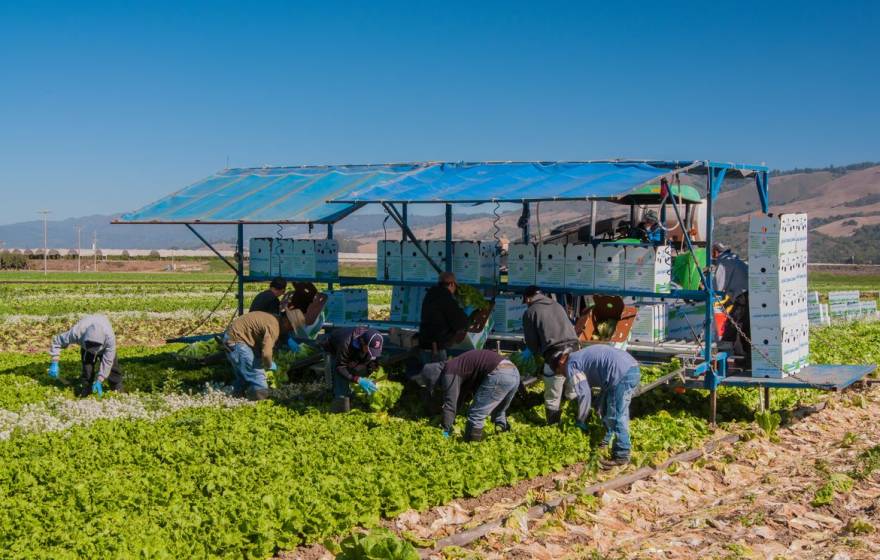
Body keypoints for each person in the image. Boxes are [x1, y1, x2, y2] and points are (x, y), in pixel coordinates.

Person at [552, 345, 641, 468]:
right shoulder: (578, 356)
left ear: (561, 362)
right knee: (606, 409)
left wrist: (581, 419)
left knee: (616, 416)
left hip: (621, 374)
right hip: (630, 368)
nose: (564, 375)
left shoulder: (571, 365)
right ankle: (605, 441)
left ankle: (622, 455)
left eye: (561, 372)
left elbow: (585, 393)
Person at [413, 349, 519, 442]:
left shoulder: (449, 372)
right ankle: (502, 434)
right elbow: (459, 398)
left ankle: (472, 447)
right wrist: (451, 418)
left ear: (435, 378)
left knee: (476, 414)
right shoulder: (458, 365)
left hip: (500, 373)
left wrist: (445, 431)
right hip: (513, 372)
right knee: (499, 410)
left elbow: (450, 404)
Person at [521, 286, 580, 425]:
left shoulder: (530, 312)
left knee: (553, 395)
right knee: (573, 390)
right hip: (576, 351)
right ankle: (576, 423)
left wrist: (536, 356)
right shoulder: (557, 305)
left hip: (556, 355)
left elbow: (532, 343)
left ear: (528, 298)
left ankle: (553, 426)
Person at [223, 309, 296, 400]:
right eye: (291, 327)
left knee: (244, 374)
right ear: (286, 320)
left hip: (232, 338)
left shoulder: (274, 318)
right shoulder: (274, 327)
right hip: (237, 342)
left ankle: (237, 397)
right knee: (258, 378)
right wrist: (269, 364)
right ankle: (259, 403)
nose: (290, 330)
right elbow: (266, 354)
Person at [49, 314, 123, 397]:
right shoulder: (77, 332)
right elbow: (57, 341)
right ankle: (87, 388)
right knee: (87, 368)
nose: (93, 350)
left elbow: (108, 361)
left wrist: (100, 379)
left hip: (103, 346)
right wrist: (54, 361)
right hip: (85, 347)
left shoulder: (110, 339)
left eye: (95, 346)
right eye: (90, 345)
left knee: (113, 368)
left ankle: (117, 388)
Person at [321, 326, 383, 412]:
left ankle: (352, 395)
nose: (370, 353)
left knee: (356, 369)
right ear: (362, 342)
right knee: (340, 376)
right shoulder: (346, 342)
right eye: (369, 349)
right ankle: (340, 403)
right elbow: (340, 367)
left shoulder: (371, 340)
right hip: (333, 348)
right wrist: (358, 380)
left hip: (354, 350)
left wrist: (372, 371)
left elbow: (374, 360)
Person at [418, 271, 469, 365]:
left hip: (424, 343)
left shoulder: (430, 294)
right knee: (439, 376)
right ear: (452, 284)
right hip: (436, 348)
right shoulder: (446, 299)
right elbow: (460, 323)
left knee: (428, 375)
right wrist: (466, 314)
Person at [712, 242, 751, 364]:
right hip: (748, 295)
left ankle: (721, 361)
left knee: (731, 328)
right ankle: (746, 359)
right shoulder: (736, 260)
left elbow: (718, 286)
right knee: (745, 328)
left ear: (715, 252)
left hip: (741, 297)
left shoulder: (723, 263)